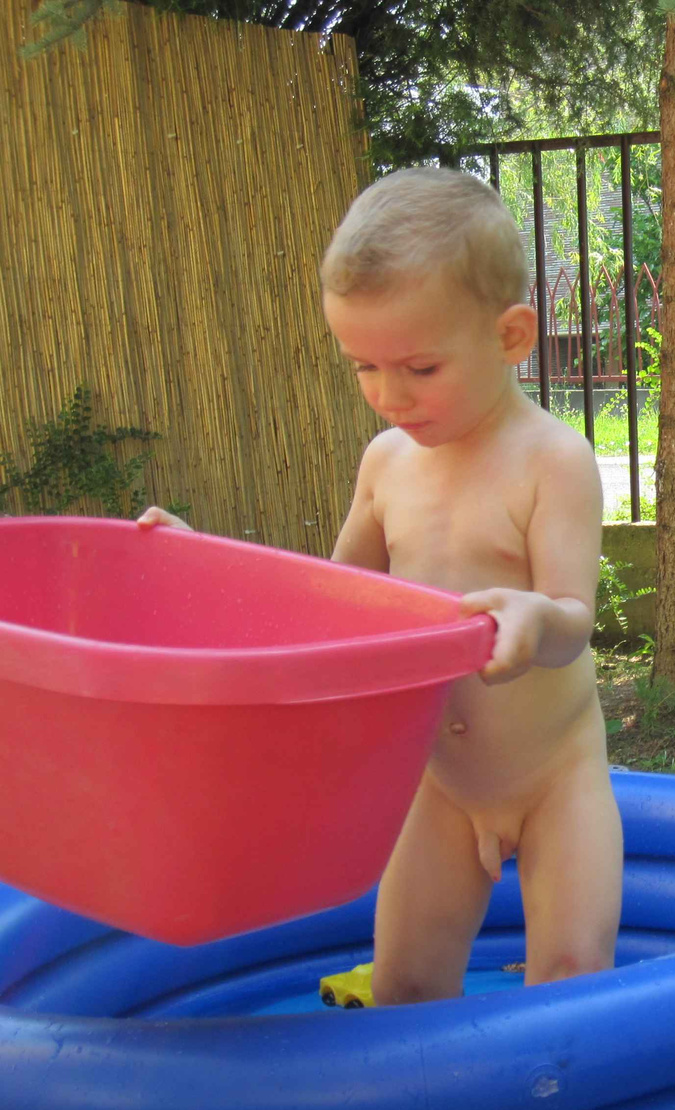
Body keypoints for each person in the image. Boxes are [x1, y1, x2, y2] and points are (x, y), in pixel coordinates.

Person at [140, 167, 623, 1004]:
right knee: (404, 982)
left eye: (420, 367)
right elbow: (328, 602)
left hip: (556, 778)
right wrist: (204, 567)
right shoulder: (387, 464)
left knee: (572, 978)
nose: (388, 395)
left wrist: (533, 616)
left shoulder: (552, 461)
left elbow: (577, 621)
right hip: (437, 782)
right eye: (363, 365)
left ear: (511, 336)